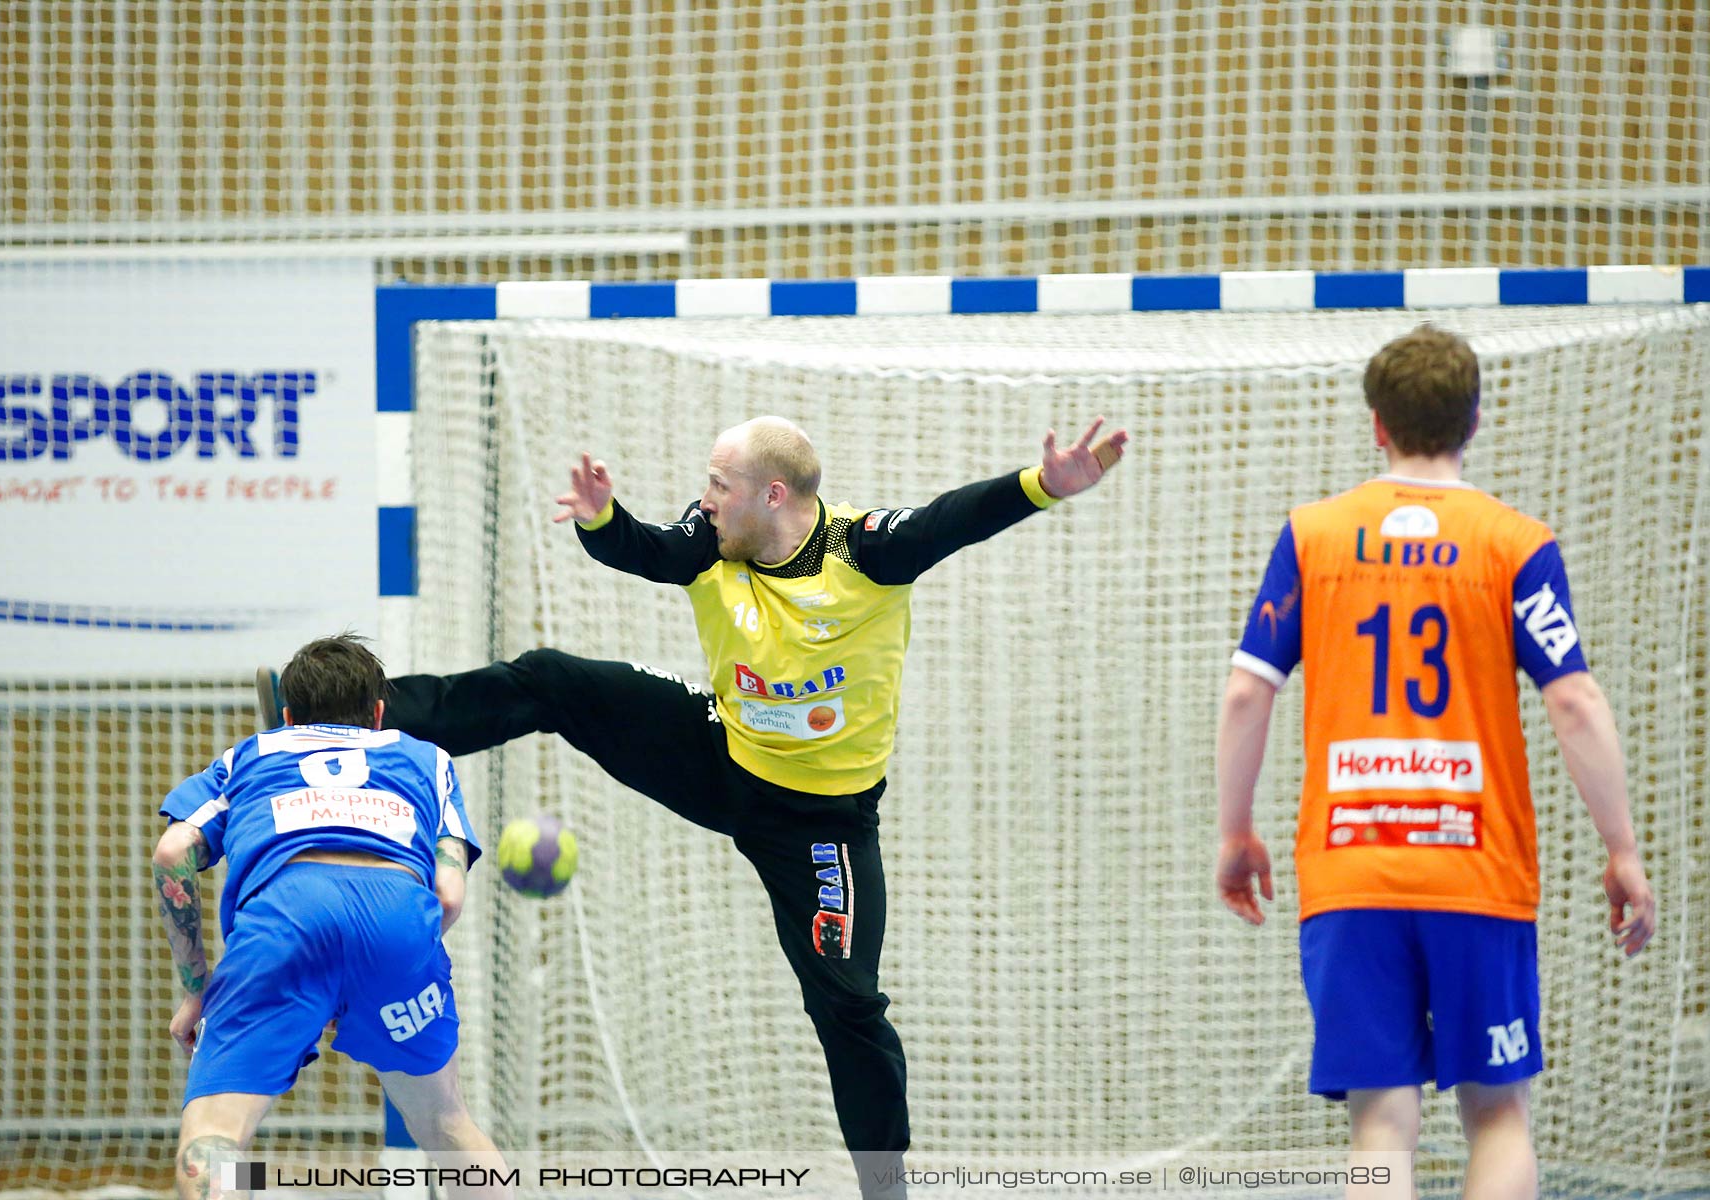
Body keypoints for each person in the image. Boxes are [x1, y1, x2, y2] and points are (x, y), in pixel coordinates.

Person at [295, 415, 1126, 1199]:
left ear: (774, 494)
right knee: (551, 679)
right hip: (718, 752)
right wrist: (602, 519)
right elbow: (648, 551)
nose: (705, 498)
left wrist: (1040, 484)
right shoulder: (709, 539)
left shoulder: (867, 551)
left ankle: (886, 1188)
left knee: (847, 1003)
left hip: (819, 824)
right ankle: (356, 718)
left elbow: (955, 518)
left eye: (721, 483)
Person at [1214, 325, 1656, 1200]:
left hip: (1352, 867)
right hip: (1475, 869)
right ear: (1476, 420)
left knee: (1380, 1124)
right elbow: (1573, 700)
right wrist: (1624, 850)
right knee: (1497, 1113)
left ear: (1376, 425)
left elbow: (1245, 693)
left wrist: (1234, 831)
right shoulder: (1514, 543)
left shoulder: (1314, 536)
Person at [159, 635, 508, 1200]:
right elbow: (447, 894)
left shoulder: (250, 756)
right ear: (377, 714)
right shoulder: (427, 759)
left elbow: (172, 855)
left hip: (285, 920)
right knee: (446, 1126)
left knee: (215, 1138)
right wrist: (379, 964)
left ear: (288, 716)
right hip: (397, 919)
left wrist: (198, 987)